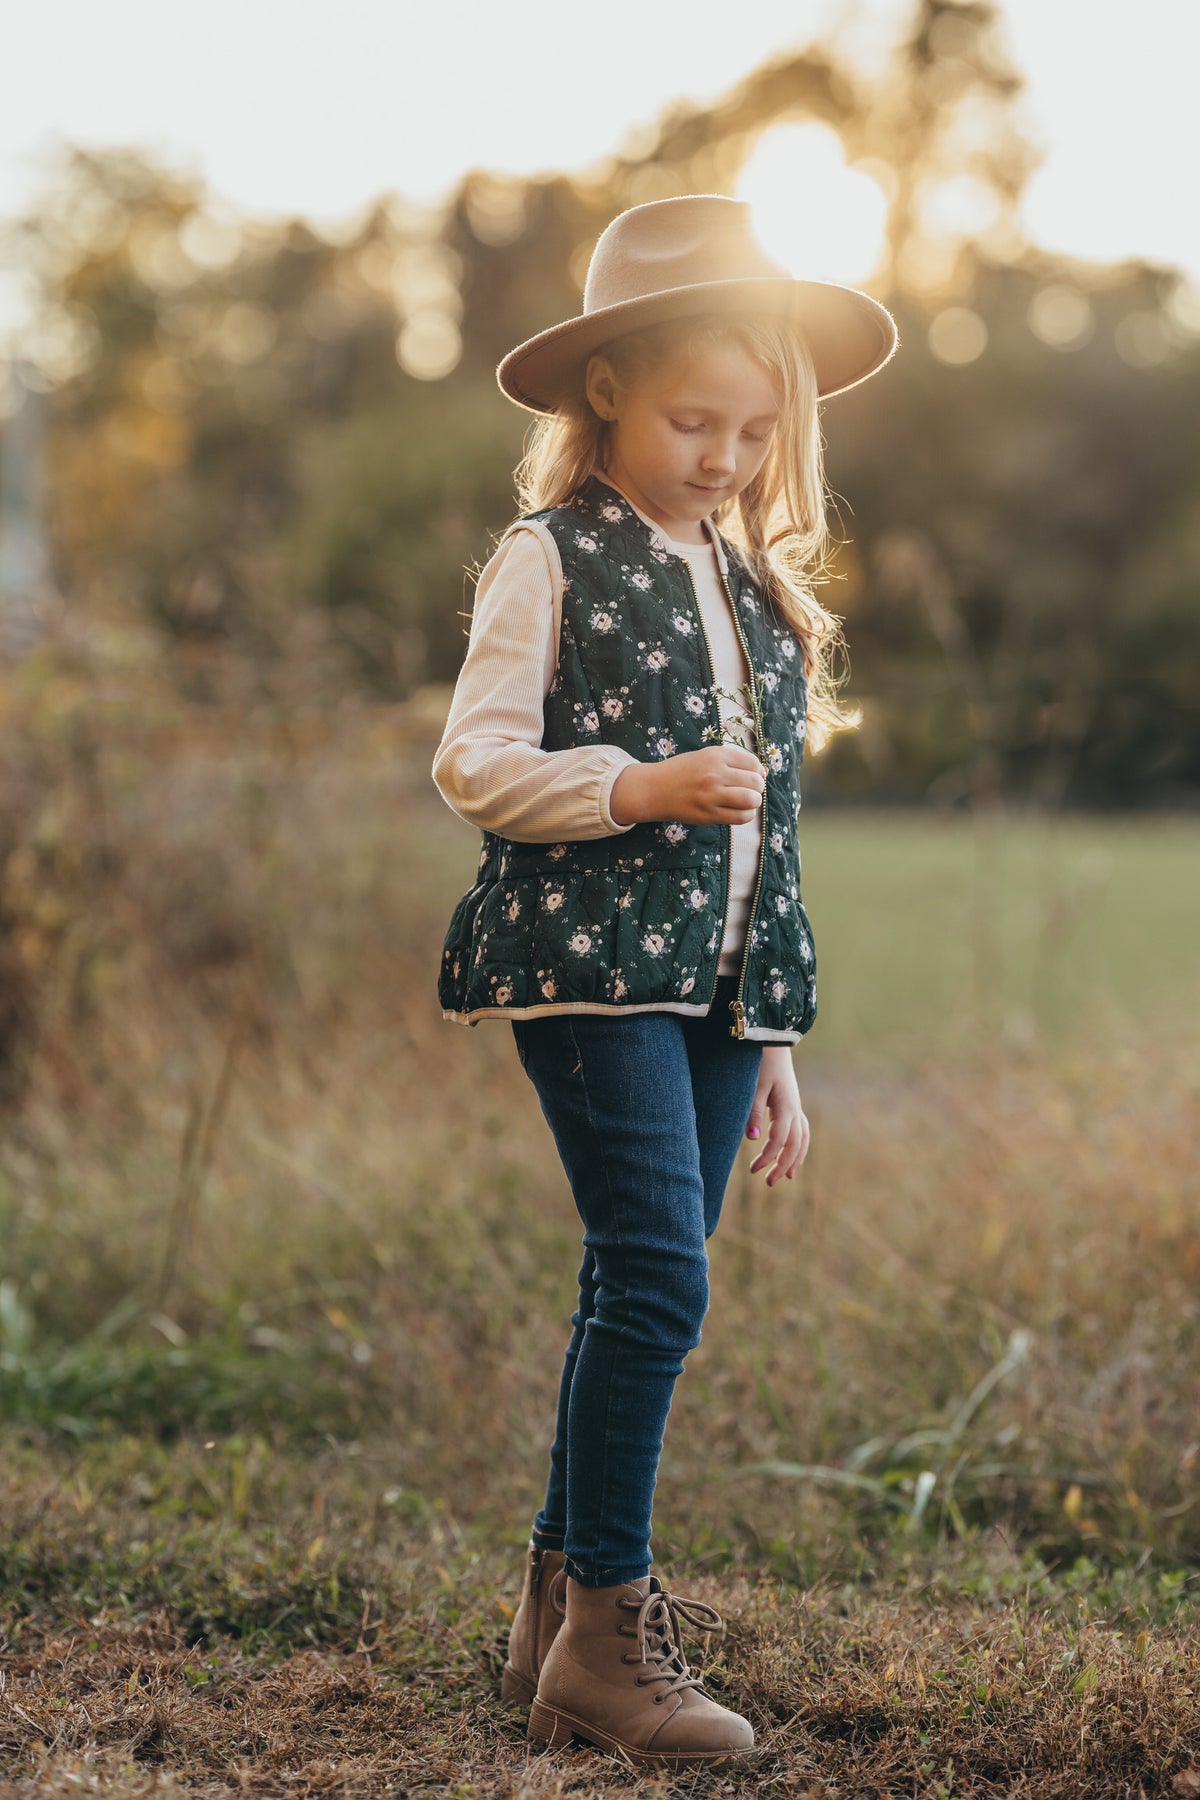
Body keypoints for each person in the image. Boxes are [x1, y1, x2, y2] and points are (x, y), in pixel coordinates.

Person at [431, 193, 899, 1770]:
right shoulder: (546, 559)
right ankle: (611, 1640)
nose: (724, 456)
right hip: (586, 973)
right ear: (609, 389)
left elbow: (771, 853)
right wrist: (635, 789)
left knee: (636, 1283)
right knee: (658, 1278)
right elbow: (475, 763)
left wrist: (774, 1040)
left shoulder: (765, 594)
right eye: (697, 419)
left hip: (716, 997)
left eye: (756, 432)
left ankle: (555, 1621)